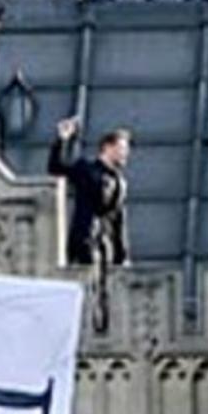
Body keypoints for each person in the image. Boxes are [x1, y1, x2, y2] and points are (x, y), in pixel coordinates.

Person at [48, 120, 131, 332]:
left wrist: (123, 256)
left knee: (104, 287)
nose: (125, 154)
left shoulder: (120, 182)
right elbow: (55, 167)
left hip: (105, 244)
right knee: (87, 283)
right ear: (108, 147)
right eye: (122, 149)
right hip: (85, 238)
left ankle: (102, 327)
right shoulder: (86, 169)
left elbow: (118, 219)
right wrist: (62, 140)